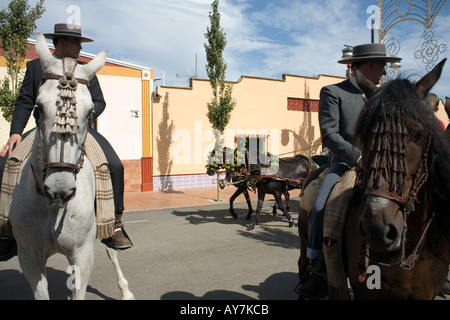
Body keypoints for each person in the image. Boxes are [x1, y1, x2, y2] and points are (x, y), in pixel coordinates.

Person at [0, 23, 132, 261]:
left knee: (114, 165)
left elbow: (100, 102)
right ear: (59, 42)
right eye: (75, 42)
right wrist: (15, 132)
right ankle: (6, 230)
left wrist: (85, 114)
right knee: (5, 163)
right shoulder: (35, 67)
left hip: (80, 131)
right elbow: (24, 101)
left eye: (80, 42)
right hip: (44, 131)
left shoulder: (86, 70)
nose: (80, 46)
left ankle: (115, 225)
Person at [295, 43, 401, 298]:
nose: (385, 71)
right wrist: (358, 157)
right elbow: (330, 135)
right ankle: (317, 268)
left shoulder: (382, 97)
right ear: (368, 65)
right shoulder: (333, 92)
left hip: (380, 166)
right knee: (320, 204)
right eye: (382, 65)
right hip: (344, 163)